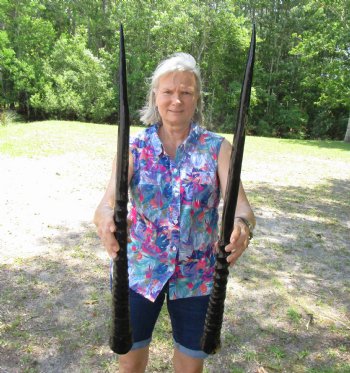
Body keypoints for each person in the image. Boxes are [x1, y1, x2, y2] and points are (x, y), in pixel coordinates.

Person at [94, 52, 255, 373]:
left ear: (197, 99)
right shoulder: (134, 148)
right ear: (155, 96)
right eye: (168, 91)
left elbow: (242, 208)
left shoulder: (218, 148)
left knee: (190, 368)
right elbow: (108, 201)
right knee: (129, 364)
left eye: (186, 92)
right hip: (139, 271)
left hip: (198, 276)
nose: (176, 100)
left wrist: (243, 227)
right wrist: (104, 216)